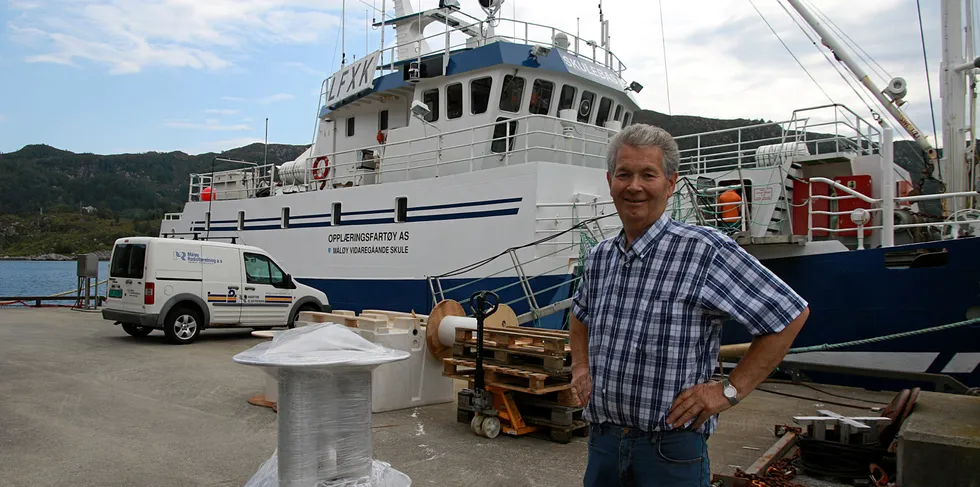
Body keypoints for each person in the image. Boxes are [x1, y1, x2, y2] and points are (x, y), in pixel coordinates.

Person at [570, 123, 809, 487]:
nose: (634, 186)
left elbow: (789, 314)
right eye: (624, 174)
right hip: (603, 443)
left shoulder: (704, 250)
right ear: (610, 181)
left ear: (670, 183)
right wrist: (580, 368)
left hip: (671, 450)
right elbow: (580, 314)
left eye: (648, 174)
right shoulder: (601, 256)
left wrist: (729, 390)